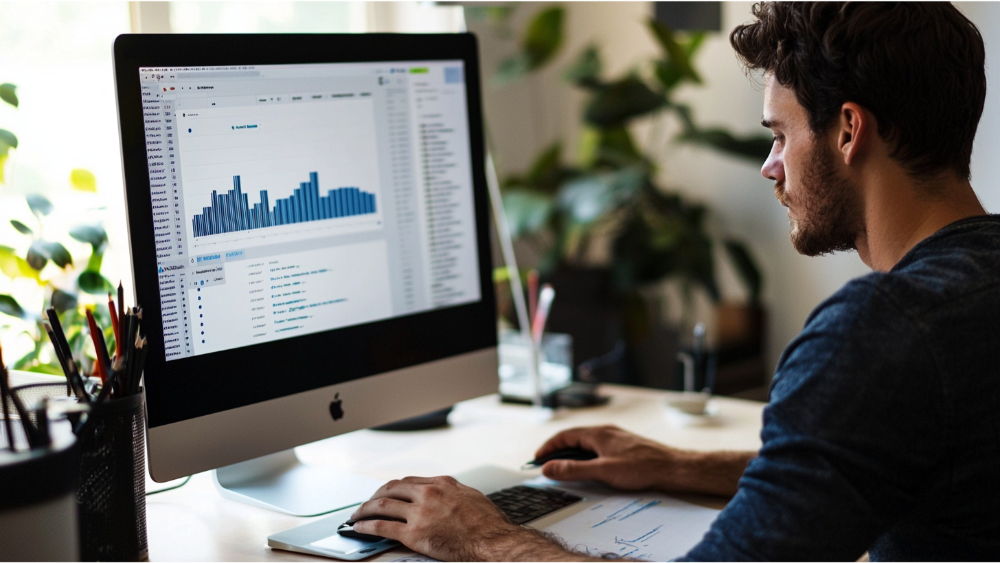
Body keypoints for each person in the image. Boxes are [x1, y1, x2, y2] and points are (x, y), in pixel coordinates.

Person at [349, 2, 1000, 561]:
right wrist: (680, 465)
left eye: (779, 135)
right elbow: (882, 462)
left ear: (849, 130)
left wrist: (486, 537)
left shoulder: (881, 329)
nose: (771, 167)